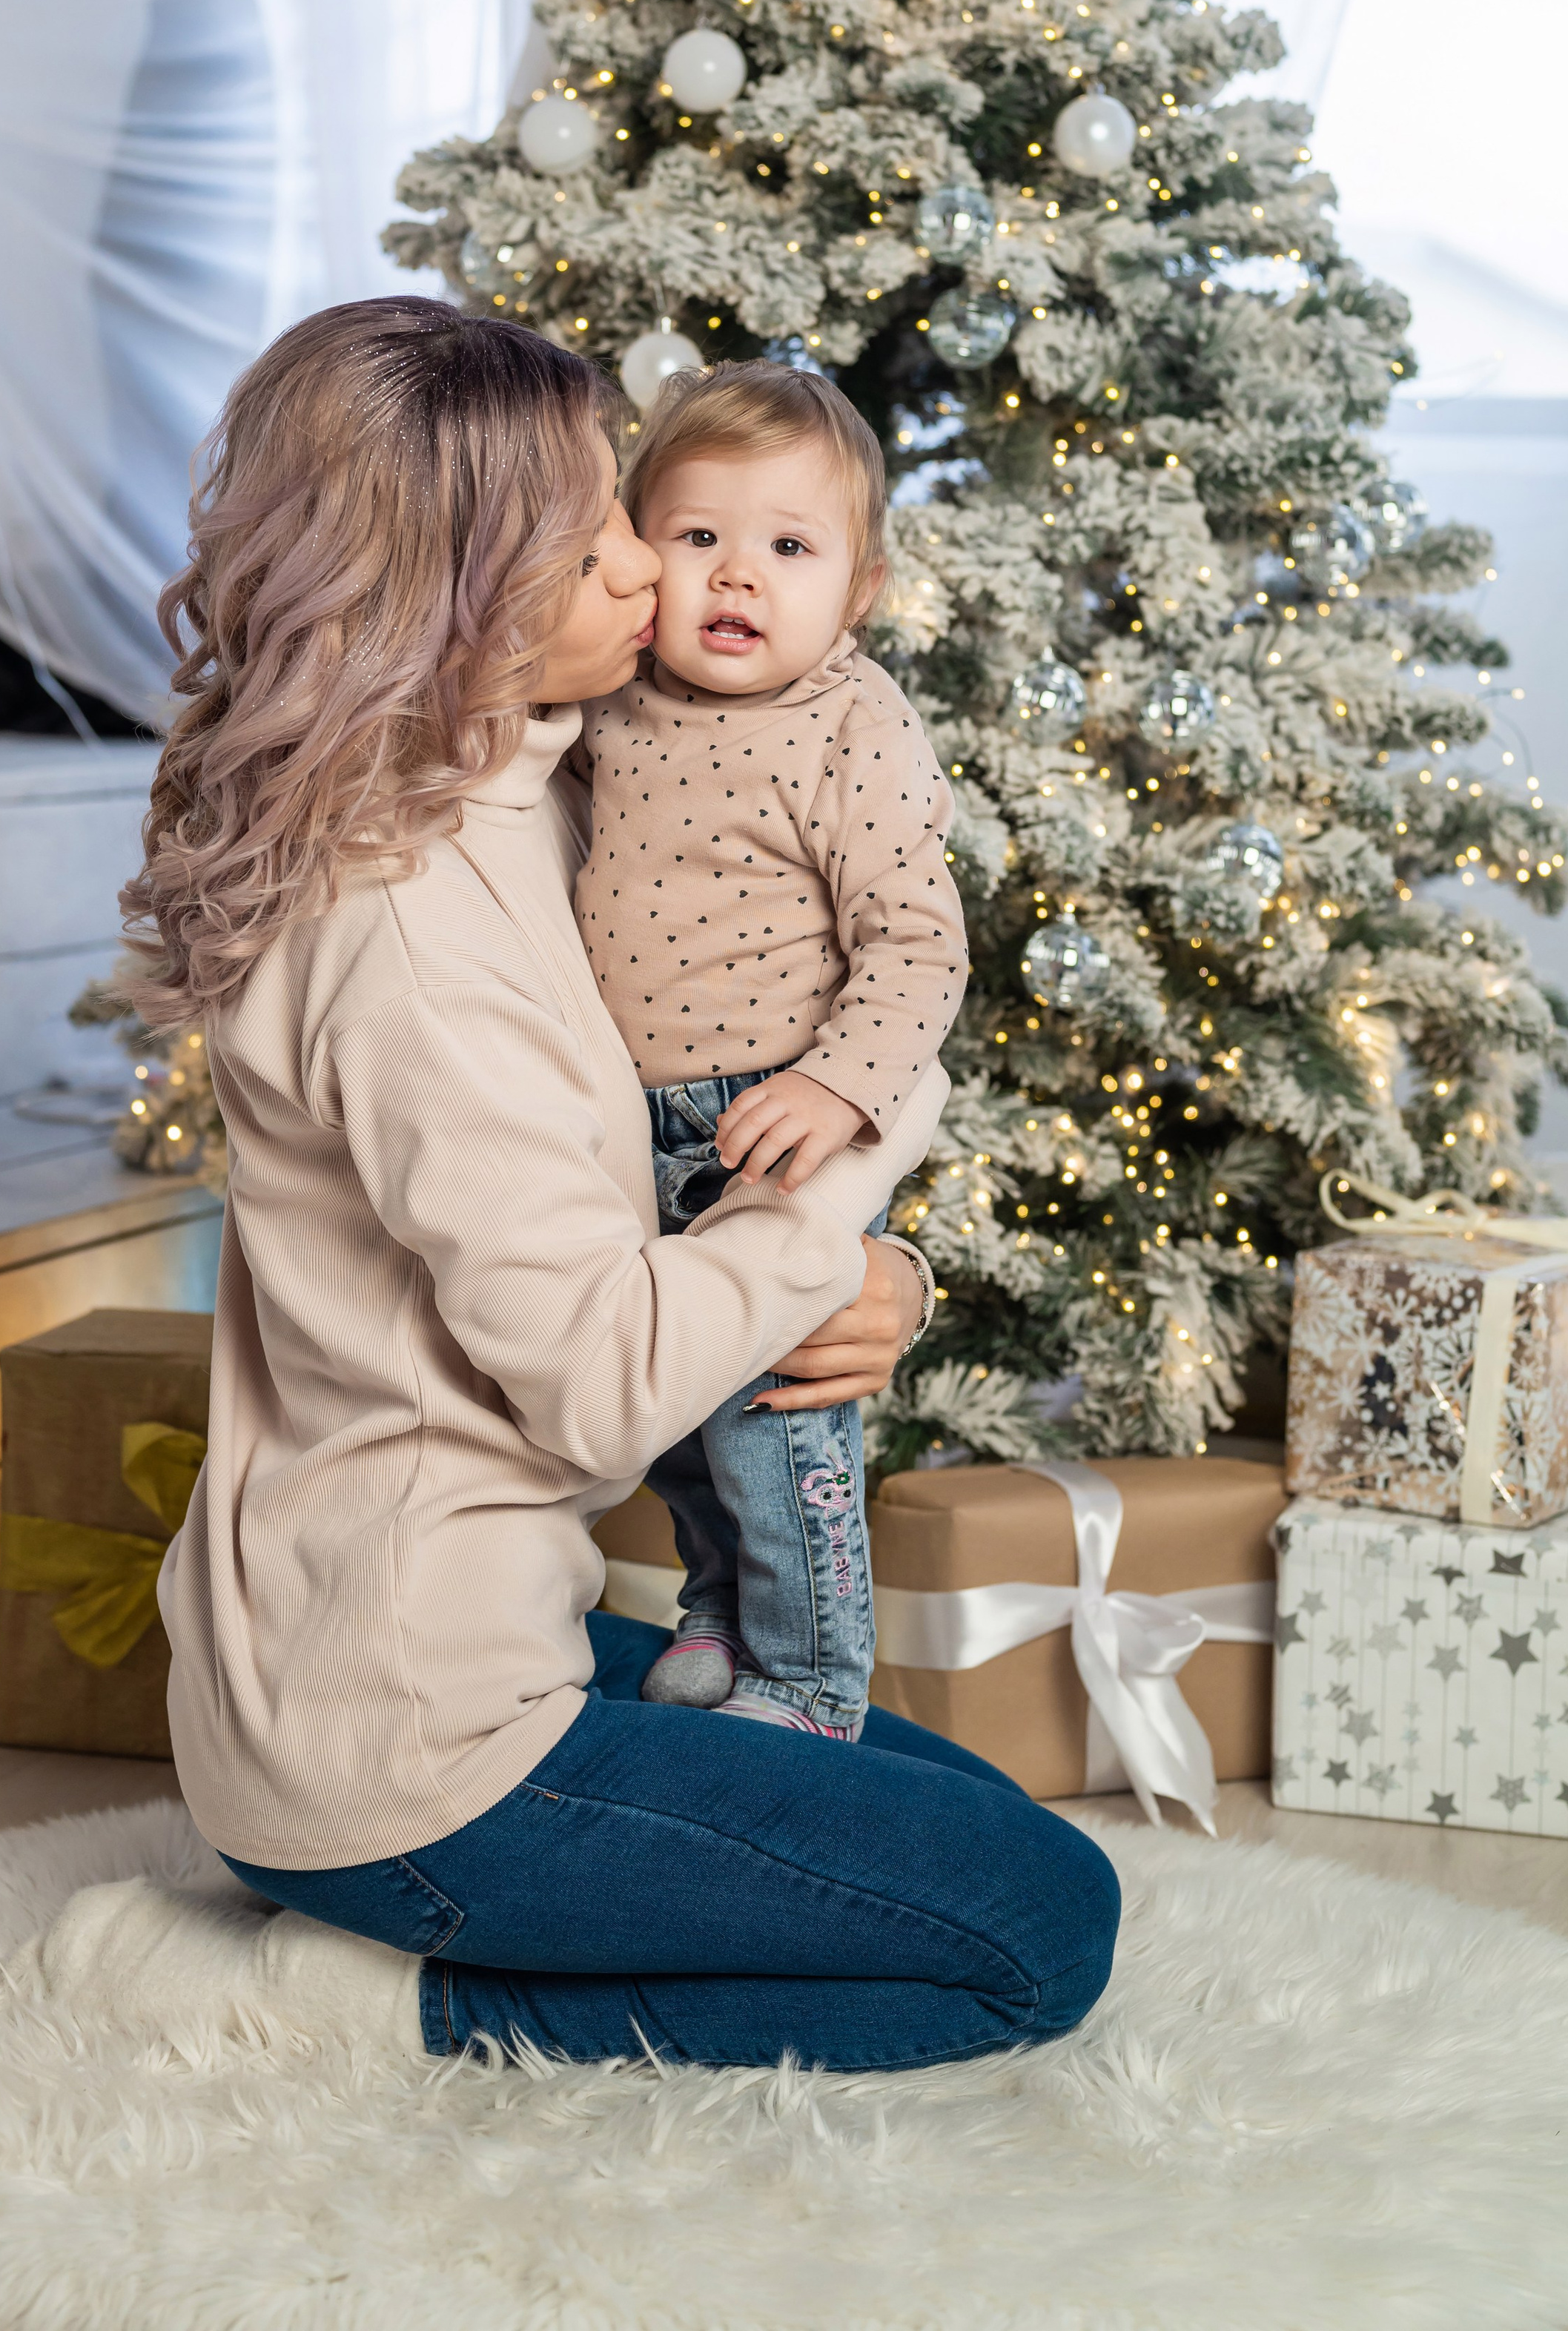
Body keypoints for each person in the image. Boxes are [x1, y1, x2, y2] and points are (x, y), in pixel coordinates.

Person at [82, 298, 1116, 2075]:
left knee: (919, 1778)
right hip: (412, 1742)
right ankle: (375, 2006)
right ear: (465, 602)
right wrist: (849, 1175)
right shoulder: (411, 939)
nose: (655, 565)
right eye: (595, 537)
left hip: (408, 1649)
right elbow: (602, 1381)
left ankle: (396, 1896)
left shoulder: (505, 796)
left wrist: (870, 1270)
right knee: (1035, 1932)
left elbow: (775, 910)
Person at [575, 363, 967, 1739]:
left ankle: (810, 1681)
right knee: (675, 1398)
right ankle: (718, 1616)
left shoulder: (854, 728)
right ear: (636, 554)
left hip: (773, 1117)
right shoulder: (608, 702)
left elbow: (919, 947)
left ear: (857, 589)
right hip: (628, 1117)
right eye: (699, 541)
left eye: (789, 550)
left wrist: (836, 1087)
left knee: (773, 1411)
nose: (738, 578)